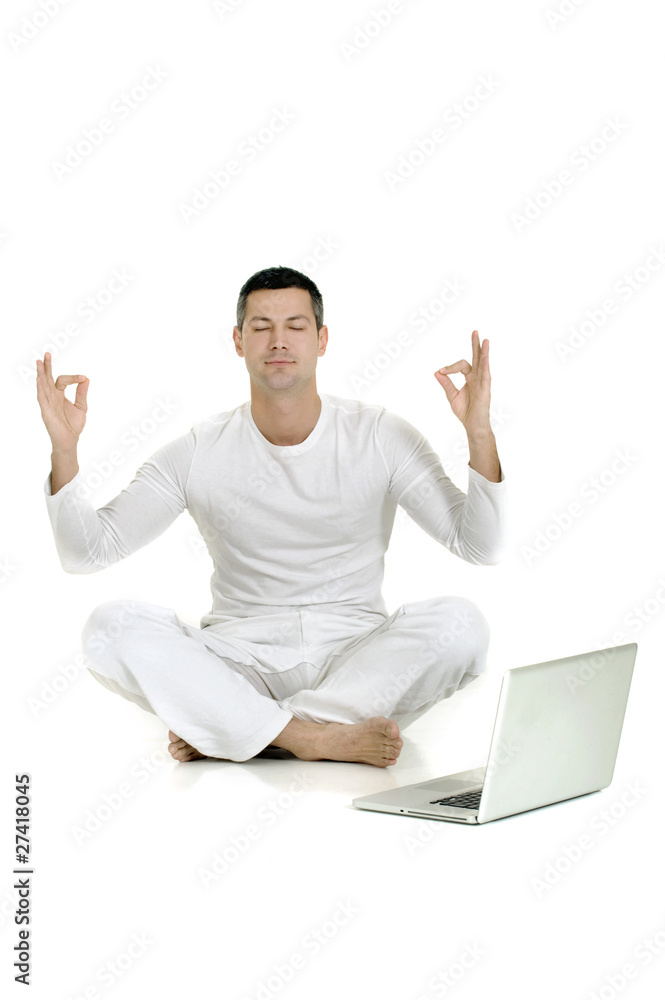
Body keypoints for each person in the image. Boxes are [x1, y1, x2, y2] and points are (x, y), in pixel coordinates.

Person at [36, 266, 506, 769]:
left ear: (321, 340)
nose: (278, 340)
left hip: (354, 659)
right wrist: (64, 450)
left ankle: (238, 730)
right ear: (238, 341)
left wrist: (479, 433)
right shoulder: (198, 450)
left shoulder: (380, 436)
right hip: (239, 662)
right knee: (109, 627)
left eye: (296, 326)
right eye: (261, 327)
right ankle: (312, 738)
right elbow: (87, 553)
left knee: (463, 624)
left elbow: (479, 545)